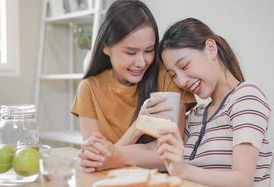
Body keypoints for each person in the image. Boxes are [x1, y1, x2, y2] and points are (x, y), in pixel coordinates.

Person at [71, 0, 195, 172]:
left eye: (149, 50)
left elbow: (170, 154)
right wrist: (137, 127)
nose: (141, 62)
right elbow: (95, 159)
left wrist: (112, 156)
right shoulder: (89, 88)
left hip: (160, 185)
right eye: (131, 52)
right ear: (106, 47)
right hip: (110, 184)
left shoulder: (167, 77)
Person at [155, 18, 272, 187]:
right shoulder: (195, 116)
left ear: (211, 48)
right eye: (173, 75)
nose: (181, 81)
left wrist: (184, 171)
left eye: (184, 66)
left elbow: (242, 182)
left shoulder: (246, 96)